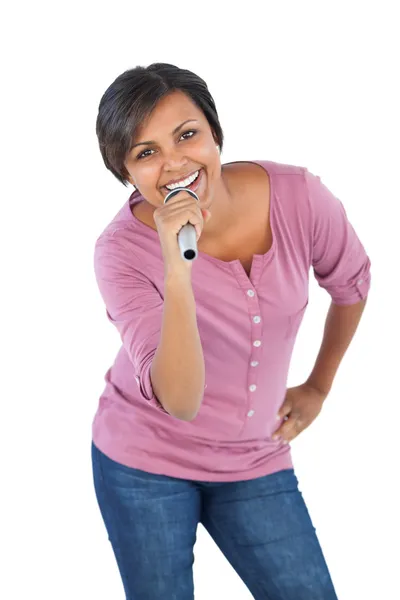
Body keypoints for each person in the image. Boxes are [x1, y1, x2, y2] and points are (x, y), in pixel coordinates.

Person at [91, 62, 371, 599]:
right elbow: (181, 400)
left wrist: (318, 386)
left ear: (215, 134)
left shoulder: (298, 197)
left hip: (255, 456)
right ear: (127, 173)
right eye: (146, 153)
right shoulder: (120, 252)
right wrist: (178, 270)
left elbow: (353, 282)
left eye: (187, 135)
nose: (174, 164)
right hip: (144, 464)